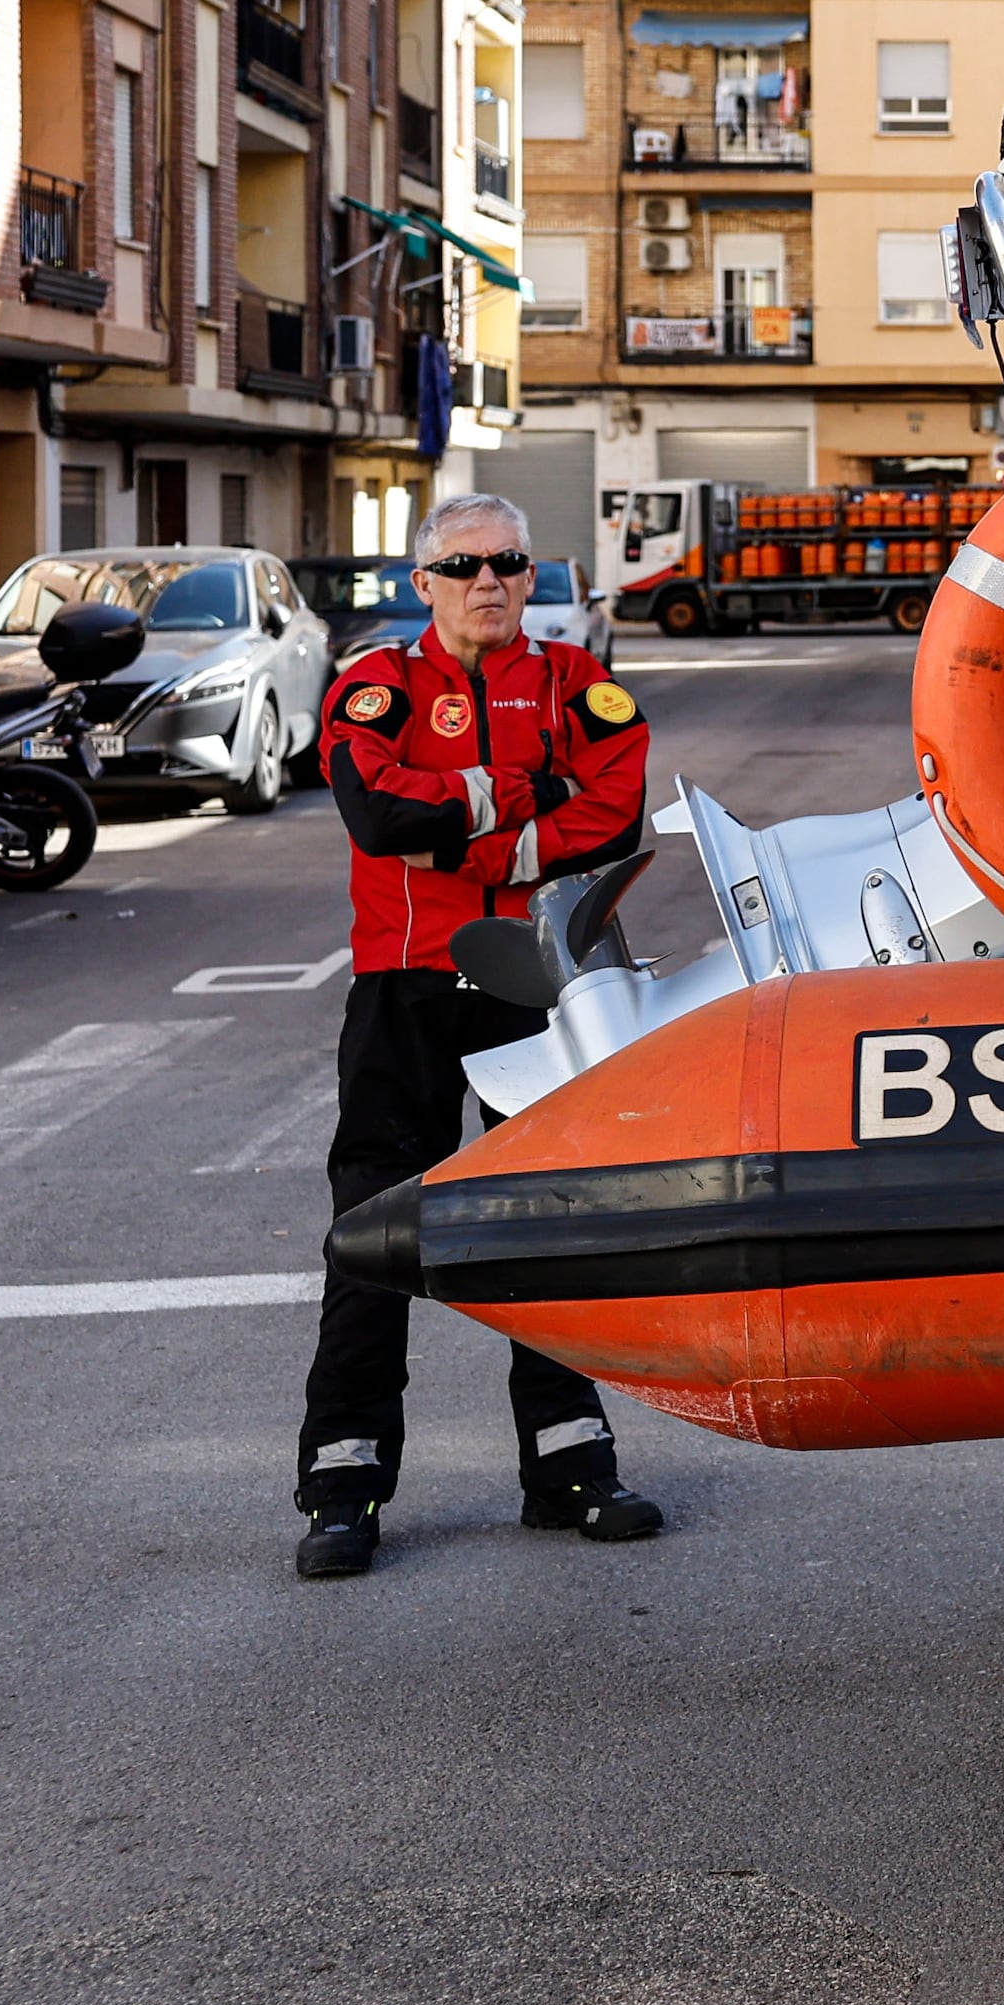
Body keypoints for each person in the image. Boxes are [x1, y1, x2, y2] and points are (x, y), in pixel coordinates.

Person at [291, 493, 665, 1579]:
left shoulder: (575, 683)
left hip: (535, 983)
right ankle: (344, 1485)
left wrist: (471, 840)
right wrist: (522, 797)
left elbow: (615, 812)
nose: (487, 581)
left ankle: (571, 1465)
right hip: (403, 988)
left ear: (530, 574)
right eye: (462, 566)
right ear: (425, 583)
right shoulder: (374, 685)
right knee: (371, 1232)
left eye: (507, 562)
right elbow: (379, 817)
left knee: (552, 1220)